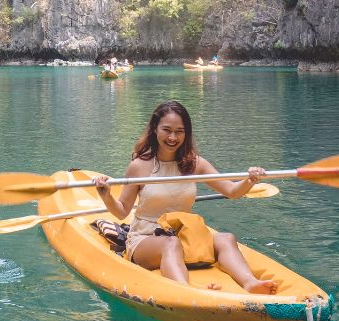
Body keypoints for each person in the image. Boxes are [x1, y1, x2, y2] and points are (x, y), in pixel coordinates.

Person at [92, 100, 278, 294]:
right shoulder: (139, 166)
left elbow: (232, 192)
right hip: (145, 239)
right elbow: (122, 212)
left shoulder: (195, 164)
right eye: (167, 130)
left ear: (186, 133)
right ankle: (187, 292)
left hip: (184, 235)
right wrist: (105, 195)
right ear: (155, 129)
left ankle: (249, 283)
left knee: (226, 239)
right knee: (170, 244)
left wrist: (250, 180)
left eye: (179, 131)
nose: (173, 137)